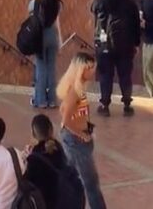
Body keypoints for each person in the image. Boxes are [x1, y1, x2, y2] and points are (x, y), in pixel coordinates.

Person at [57, 52, 106, 209]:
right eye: (90, 68)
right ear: (81, 70)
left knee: (72, 176)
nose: (93, 71)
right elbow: (65, 120)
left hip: (78, 139)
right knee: (90, 181)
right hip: (75, 141)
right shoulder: (74, 92)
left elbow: (63, 110)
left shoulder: (78, 89)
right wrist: (81, 134)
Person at [91, 0, 141, 116]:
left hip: (104, 45)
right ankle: (127, 104)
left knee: (105, 75)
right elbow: (136, 25)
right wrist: (136, 43)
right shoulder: (129, 3)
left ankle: (105, 105)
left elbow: (92, 9)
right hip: (125, 46)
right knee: (125, 75)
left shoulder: (100, 1)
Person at [22, 114, 85, 209]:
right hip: (68, 202)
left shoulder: (33, 160)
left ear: (33, 134)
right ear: (51, 130)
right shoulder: (62, 150)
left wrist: (24, 160)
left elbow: (25, 185)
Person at [29, 0, 63, 109]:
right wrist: (60, 41)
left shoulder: (38, 3)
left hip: (41, 38)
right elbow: (56, 23)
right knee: (51, 69)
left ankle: (40, 99)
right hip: (53, 37)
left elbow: (30, 8)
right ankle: (52, 99)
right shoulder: (57, 4)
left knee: (41, 69)